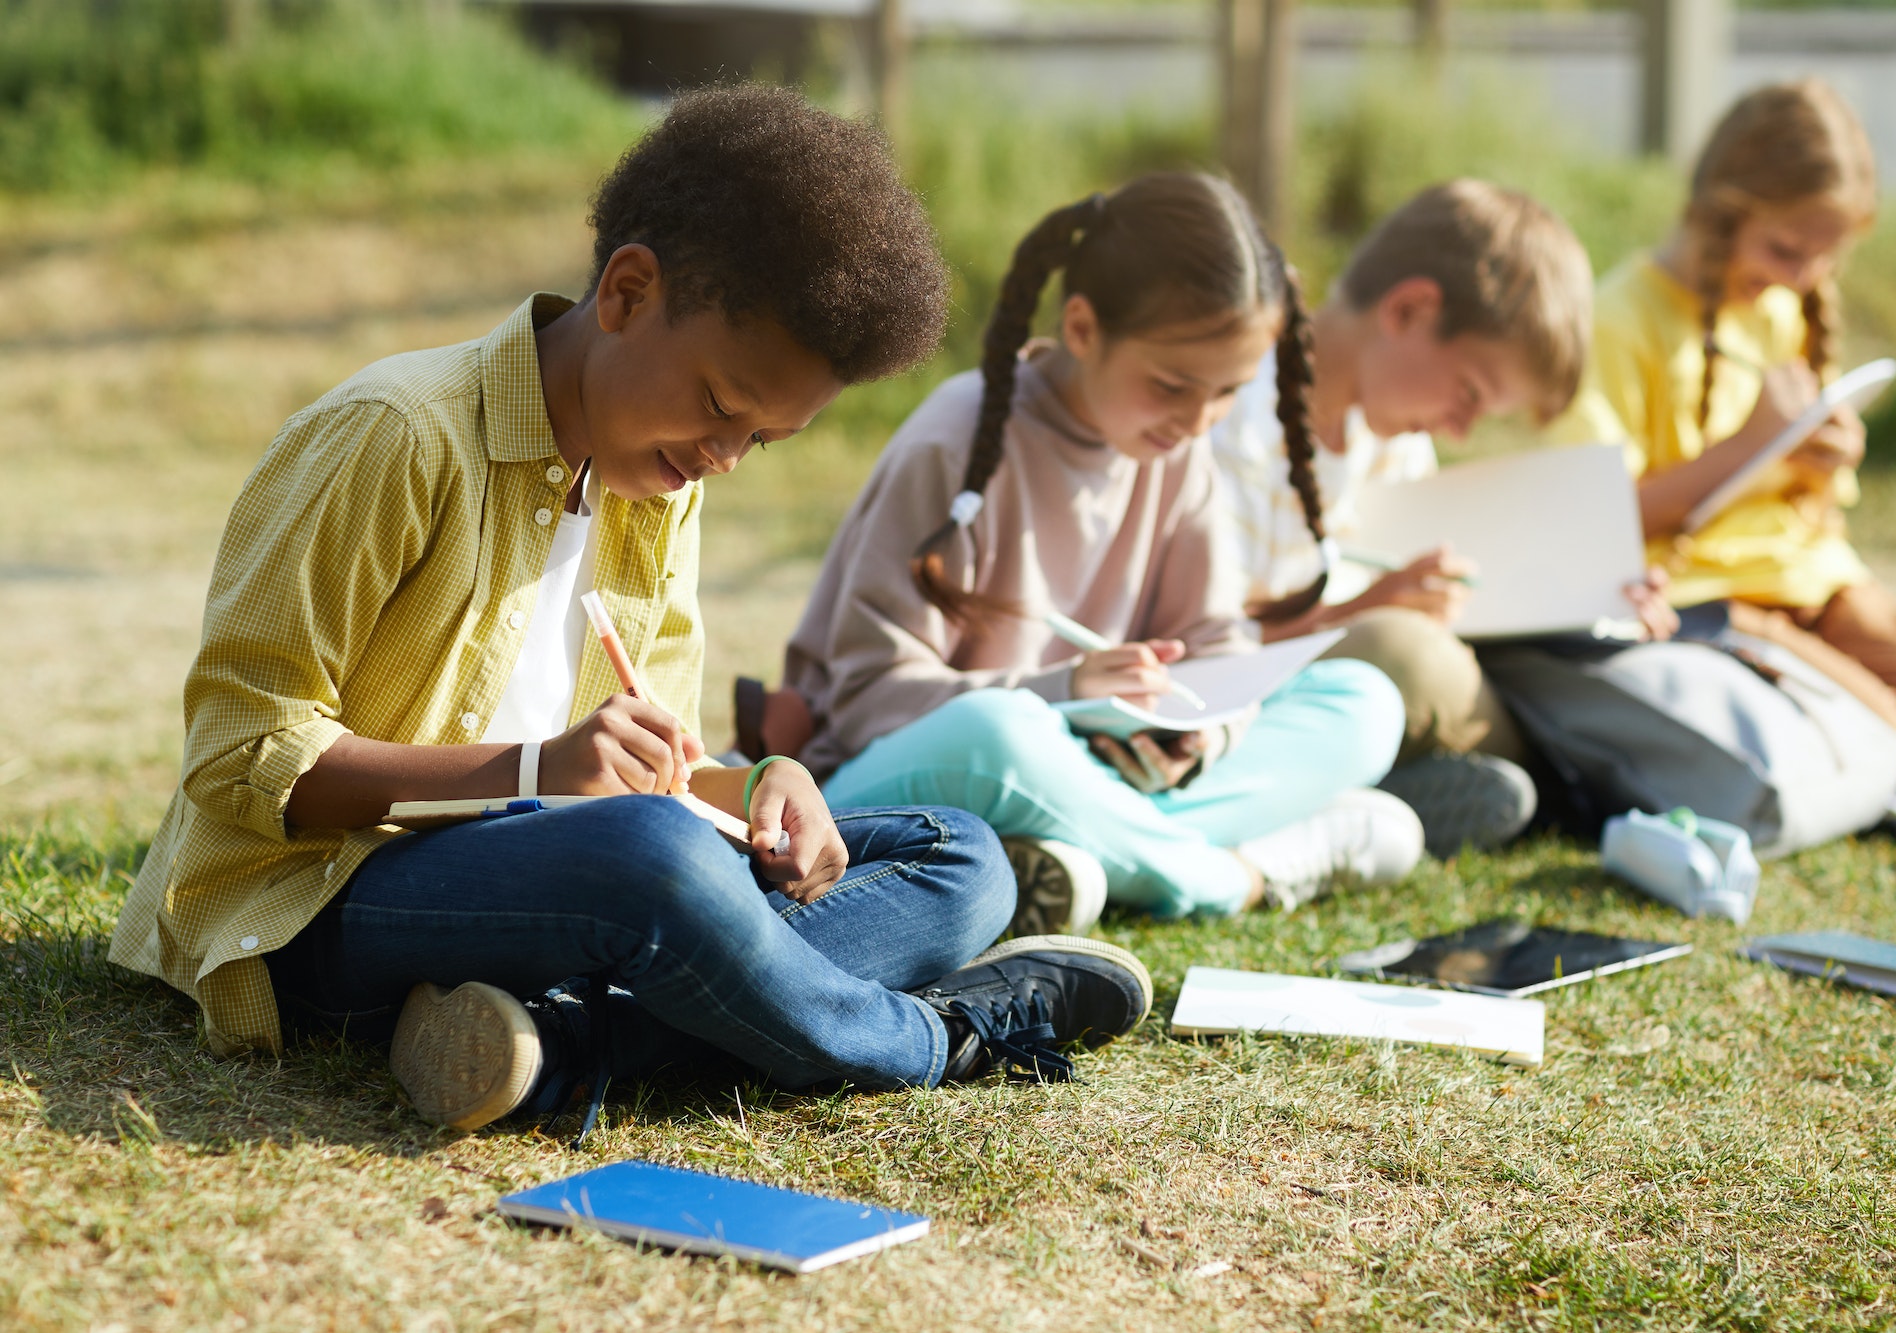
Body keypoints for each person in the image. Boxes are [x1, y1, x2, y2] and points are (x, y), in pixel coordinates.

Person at [107, 85, 1153, 1139]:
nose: (723, 456)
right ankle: (934, 1037)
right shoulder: (396, 436)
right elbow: (238, 753)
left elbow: (652, 767)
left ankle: (555, 1043)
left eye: (763, 441)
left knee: (956, 855)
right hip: (327, 906)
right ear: (627, 291)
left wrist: (755, 785)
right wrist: (535, 772)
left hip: (575, 880)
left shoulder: (656, 484)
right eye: (717, 405)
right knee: (653, 858)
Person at [779, 173, 1417, 933]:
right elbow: (867, 699)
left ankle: (1073, 855)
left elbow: (1219, 647)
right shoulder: (955, 439)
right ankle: (1233, 875)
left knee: (1364, 703)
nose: (1196, 419)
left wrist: (1200, 734)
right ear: (1082, 329)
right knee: (1003, 734)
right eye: (1173, 385)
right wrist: (1064, 688)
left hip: (1097, 772)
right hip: (902, 768)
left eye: (1225, 393)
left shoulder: (1179, 449)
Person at [1554, 79, 1896, 793]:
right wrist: (1750, 445)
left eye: (1824, 259)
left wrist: (1825, 462)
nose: (1804, 276)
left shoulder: (1780, 308)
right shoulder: (1619, 321)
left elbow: (1805, 497)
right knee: (1889, 733)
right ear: (1719, 213)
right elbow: (1600, 517)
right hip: (1715, 595)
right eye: (1786, 250)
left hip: (1817, 582)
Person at [1208, 180, 1662, 857]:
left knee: (1445, 656)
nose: (1462, 426)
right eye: (1469, 393)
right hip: (1248, 691)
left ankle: (1395, 797)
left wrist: (1592, 599)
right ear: (1409, 310)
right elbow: (1200, 632)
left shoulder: (1392, 441)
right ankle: (1556, 787)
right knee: (1406, 654)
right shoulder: (1231, 411)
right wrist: (1366, 609)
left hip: (1342, 696)